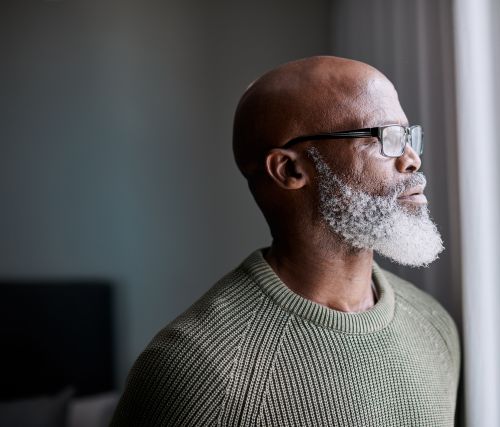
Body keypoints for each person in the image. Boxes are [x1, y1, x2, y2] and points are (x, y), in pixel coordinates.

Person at [110, 56, 461, 426]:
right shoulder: (191, 371)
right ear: (290, 169)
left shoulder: (433, 324)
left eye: (408, 136)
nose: (411, 160)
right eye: (384, 137)